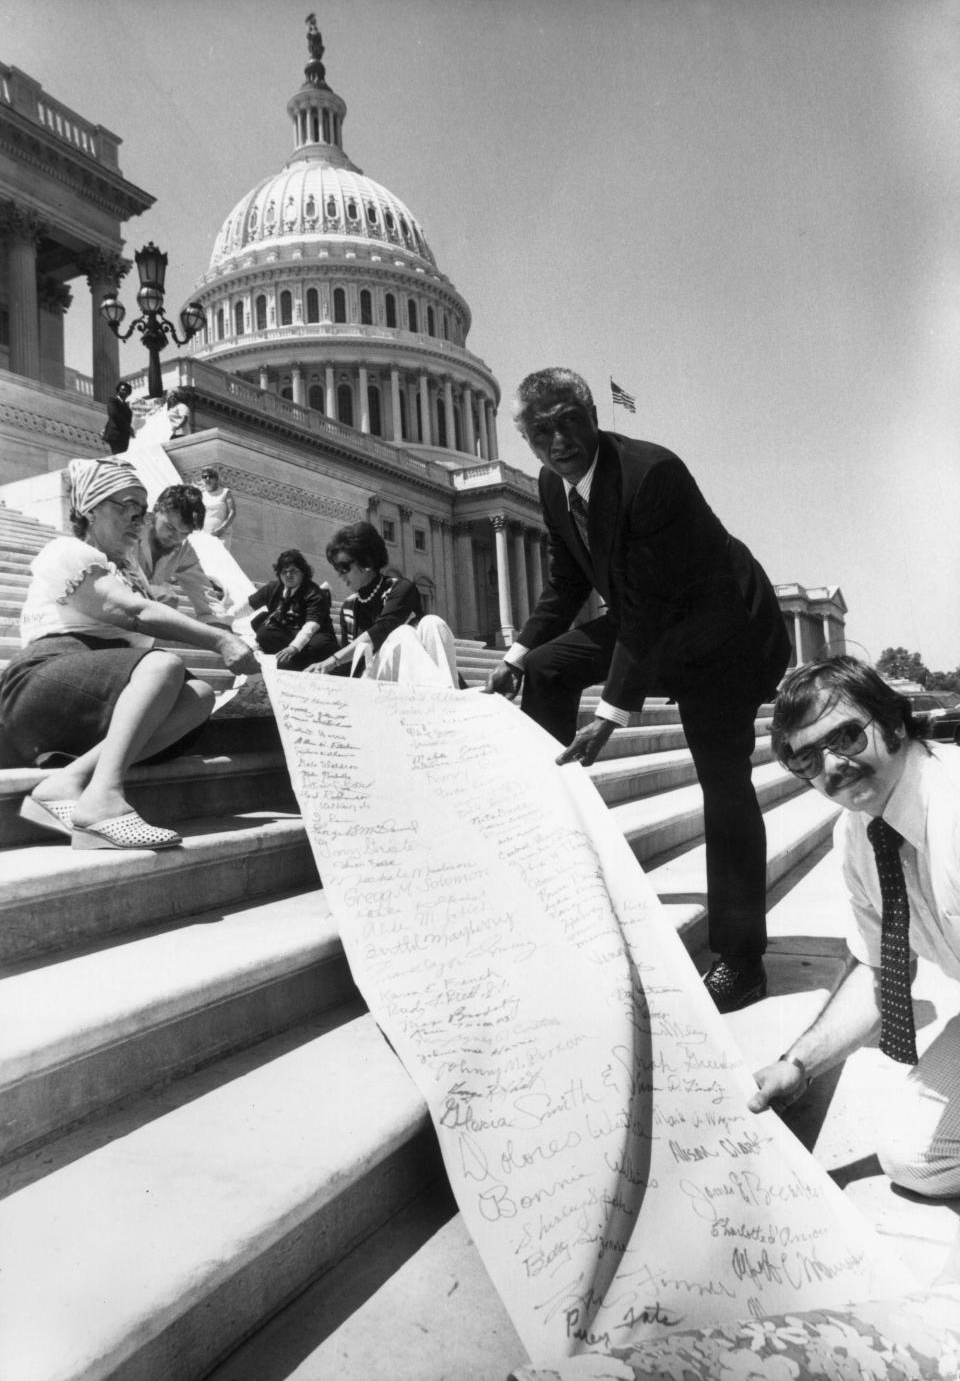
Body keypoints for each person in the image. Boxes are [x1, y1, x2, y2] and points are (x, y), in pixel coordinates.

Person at [484, 368, 790, 1013]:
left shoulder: (653, 474)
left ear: (594, 416)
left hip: (724, 633)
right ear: (526, 438)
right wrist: (515, 654)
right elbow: (568, 583)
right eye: (542, 431)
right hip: (647, 620)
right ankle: (553, 839)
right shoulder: (550, 481)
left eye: (570, 421)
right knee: (545, 668)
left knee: (724, 785)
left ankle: (741, 959)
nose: (560, 440)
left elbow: (651, 609)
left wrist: (614, 713)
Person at [749, 656, 960, 1197]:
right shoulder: (859, 834)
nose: (832, 767)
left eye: (844, 737)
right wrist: (798, 1064)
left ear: (891, 722)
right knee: (916, 1156)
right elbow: (877, 967)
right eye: (807, 761)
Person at [0, 456, 259, 850]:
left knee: (199, 695)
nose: (138, 523)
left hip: (92, 691)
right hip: (41, 683)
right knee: (163, 665)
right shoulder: (66, 551)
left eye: (141, 513)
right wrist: (219, 641)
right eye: (128, 509)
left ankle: (68, 781)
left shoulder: (126, 570)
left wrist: (233, 636)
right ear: (90, 508)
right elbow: (134, 612)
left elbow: (189, 604)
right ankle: (102, 797)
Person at [308, 521, 458, 687]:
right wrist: (321, 672)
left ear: (366, 562)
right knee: (403, 633)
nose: (340, 575)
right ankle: (444, 696)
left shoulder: (400, 588)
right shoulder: (349, 607)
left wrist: (332, 660)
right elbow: (350, 664)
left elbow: (382, 629)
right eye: (337, 568)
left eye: (344, 567)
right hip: (370, 678)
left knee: (432, 623)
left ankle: (449, 694)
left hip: (409, 672)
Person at [131, 484, 228, 626]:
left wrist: (221, 626)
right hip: (99, 614)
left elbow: (204, 596)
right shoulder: (127, 529)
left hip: (136, 627)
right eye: (170, 527)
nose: (175, 538)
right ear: (156, 510)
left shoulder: (183, 549)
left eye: (184, 533)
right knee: (166, 597)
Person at [247, 549, 337, 670]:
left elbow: (311, 625)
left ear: (303, 573)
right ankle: (293, 661)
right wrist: (225, 618)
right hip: (287, 632)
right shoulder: (274, 587)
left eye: (293, 571)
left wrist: (294, 647)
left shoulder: (314, 593)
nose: (288, 575)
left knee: (320, 644)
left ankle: (300, 663)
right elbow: (248, 605)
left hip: (313, 635)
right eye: (284, 572)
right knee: (264, 633)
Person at [199, 467, 236, 546]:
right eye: (205, 477)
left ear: (216, 479)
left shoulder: (225, 492)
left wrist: (222, 529)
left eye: (211, 476)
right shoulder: (202, 495)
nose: (207, 478)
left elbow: (232, 512)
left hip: (221, 535)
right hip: (204, 534)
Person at [101, 381, 134, 455]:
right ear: (118, 391)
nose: (124, 392)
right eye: (122, 389)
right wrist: (128, 427)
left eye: (126, 390)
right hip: (115, 435)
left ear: (128, 393)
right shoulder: (113, 401)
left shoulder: (127, 408)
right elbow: (114, 414)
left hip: (124, 437)